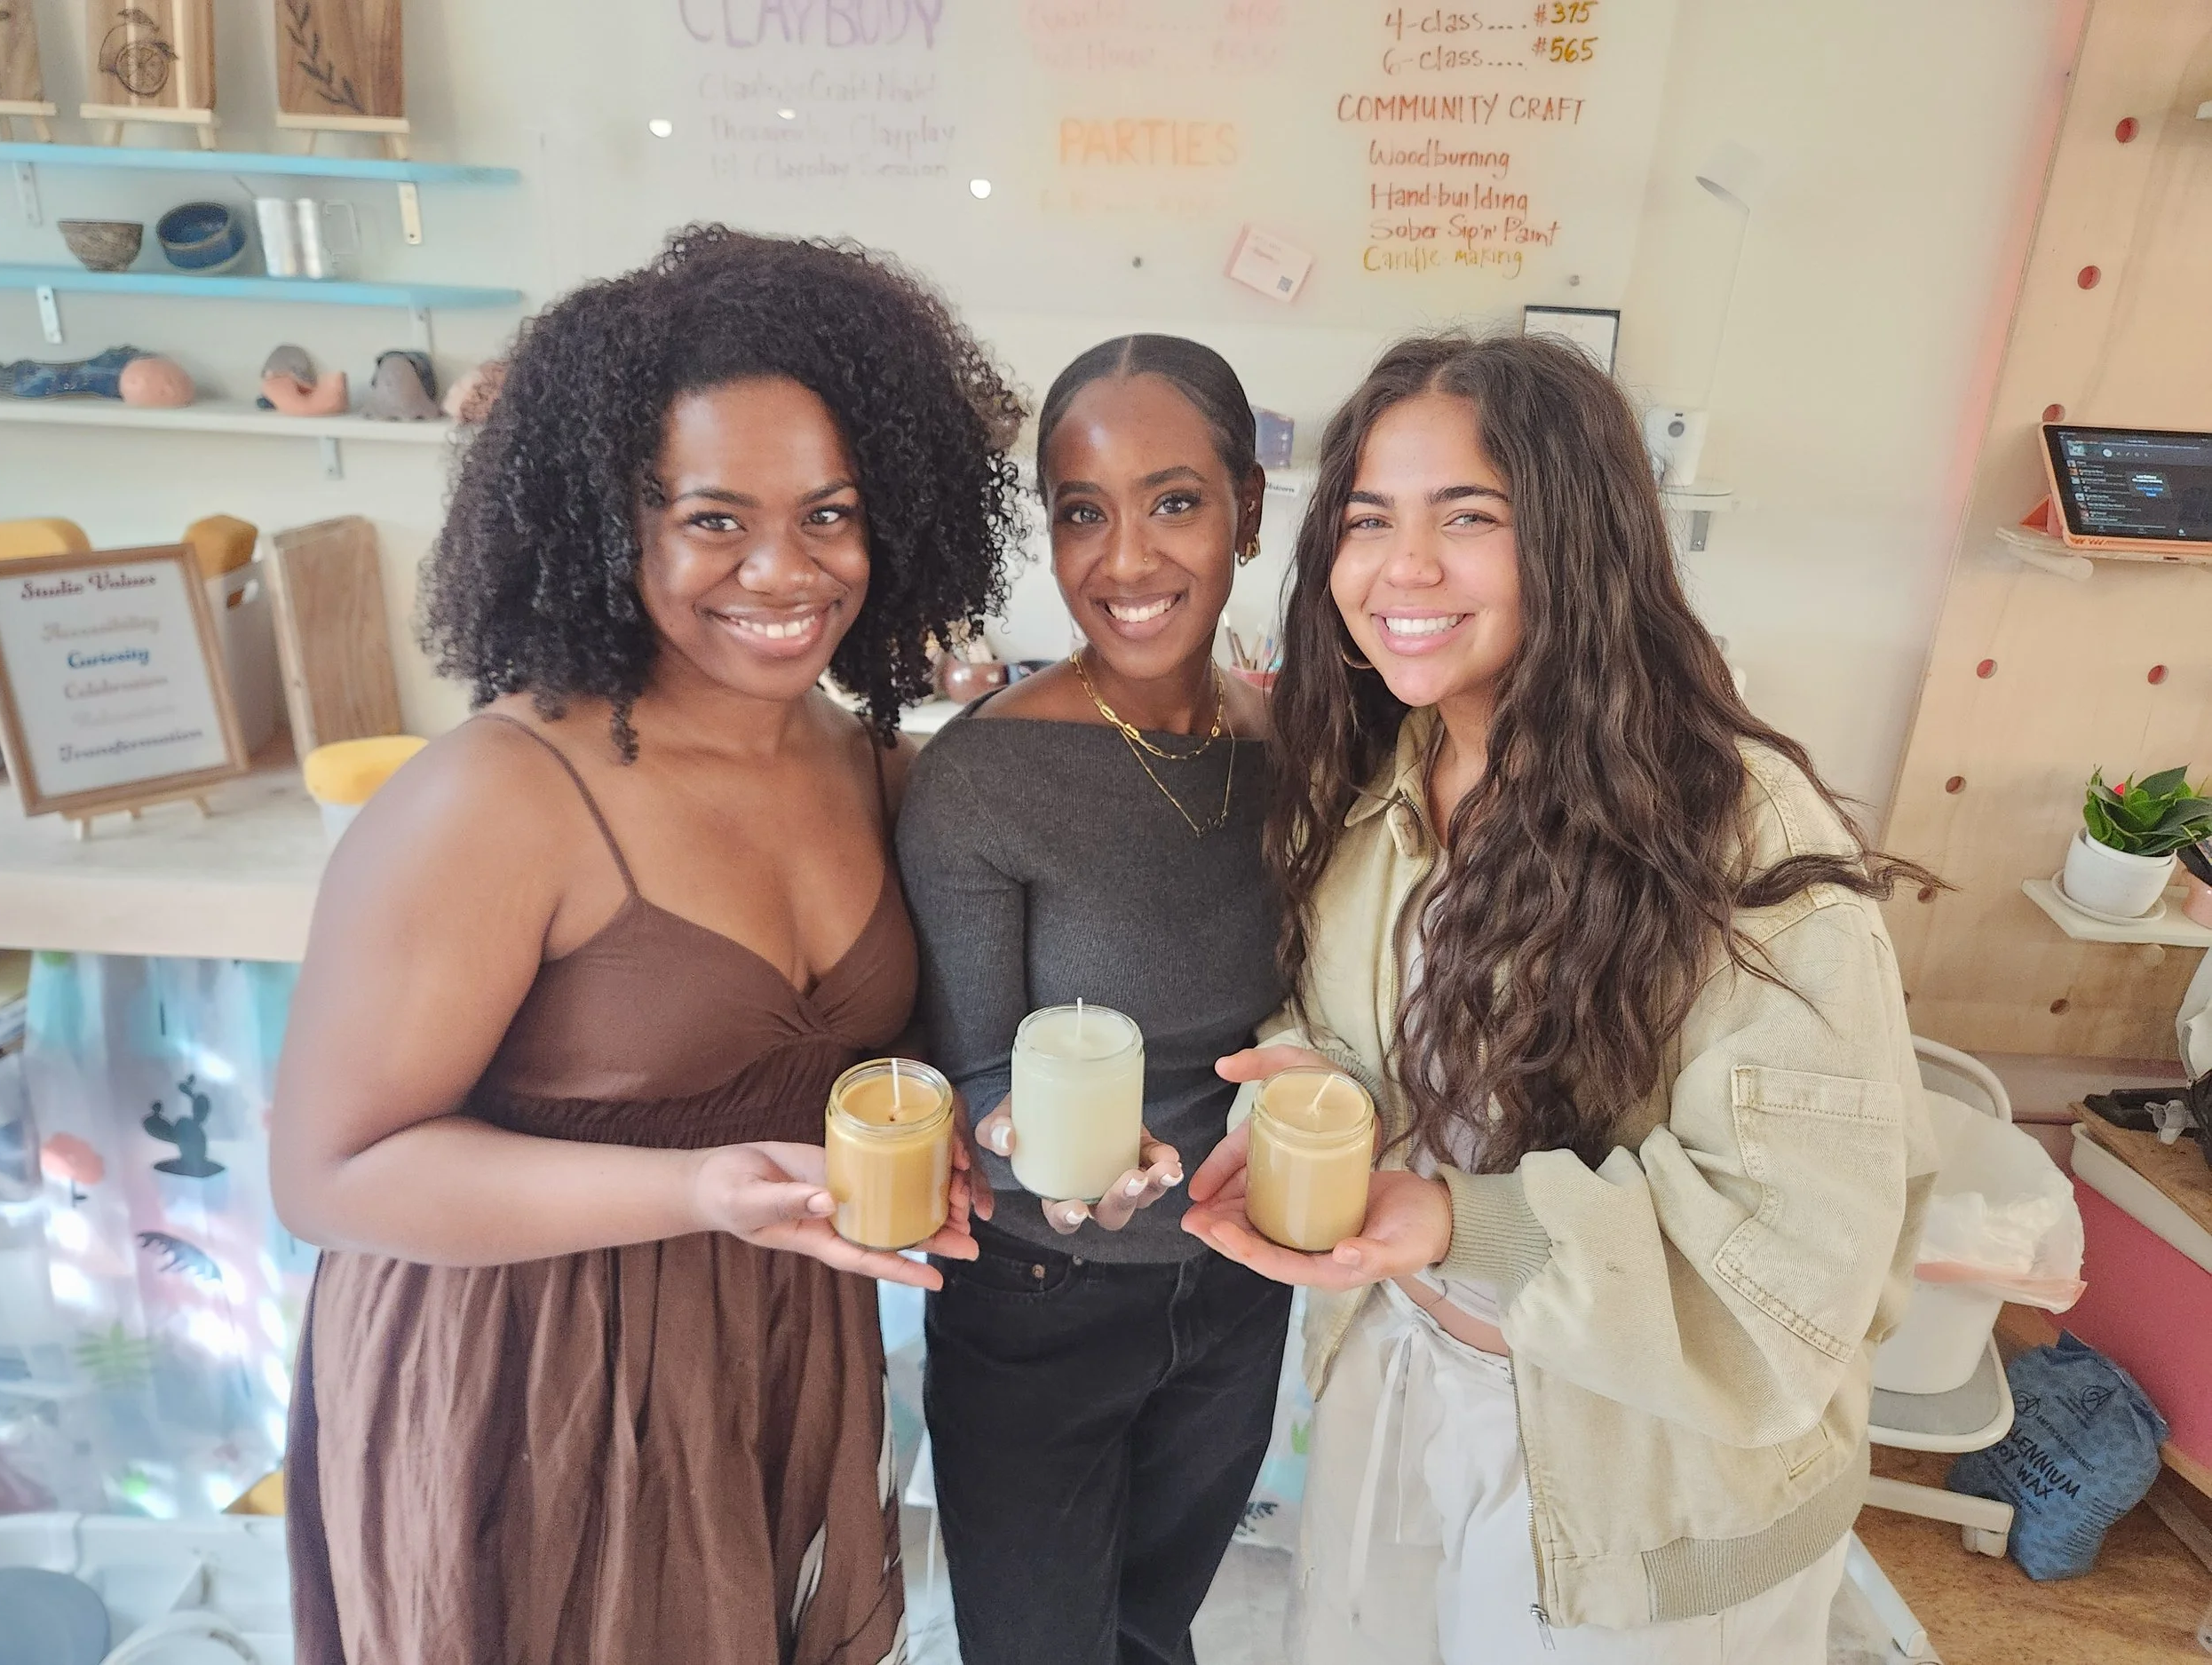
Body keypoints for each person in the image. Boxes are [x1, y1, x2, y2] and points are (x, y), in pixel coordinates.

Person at [268, 225, 1024, 1665]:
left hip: (767, 1366)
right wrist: (696, 1188)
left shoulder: (878, 765)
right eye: (713, 517)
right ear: (609, 520)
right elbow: (328, 1173)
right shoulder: (501, 795)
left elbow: (885, 1068)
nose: (783, 570)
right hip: (524, 1383)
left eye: (829, 513)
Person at [1181, 332, 1941, 1664]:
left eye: (1467, 516)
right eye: (1368, 519)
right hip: (1403, 1390)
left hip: (1634, 1470)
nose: (1401, 567)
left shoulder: (1741, 844)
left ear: (1581, 538)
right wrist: (1312, 1081)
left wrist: (1455, 1218)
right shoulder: (1378, 782)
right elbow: (1353, 1021)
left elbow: (1791, 1257)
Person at [896, 335, 1291, 1665]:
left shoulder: (1300, 756)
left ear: (1249, 504)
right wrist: (1026, 1140)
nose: (1125, 560)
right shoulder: (986, 777)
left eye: (1175, 501)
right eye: (1082, 512)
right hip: (1040, 1290)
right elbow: (974, 1067)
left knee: (1151, 1627)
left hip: (1237, 1284)